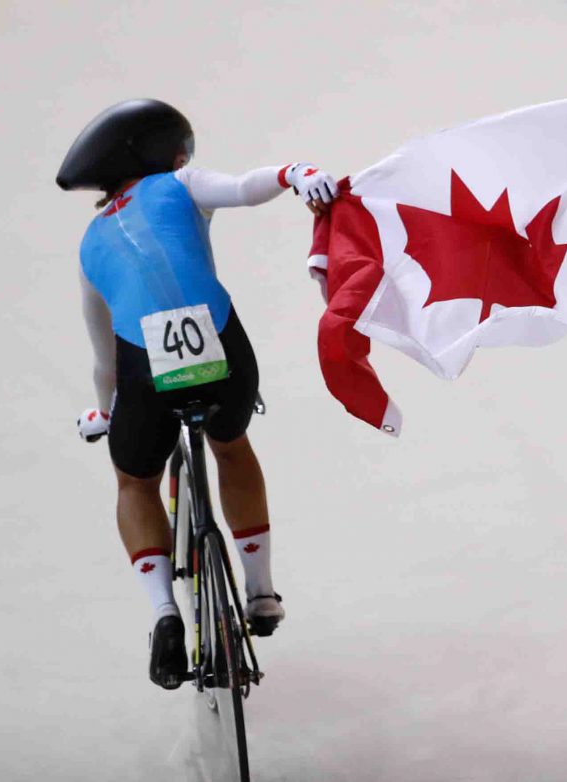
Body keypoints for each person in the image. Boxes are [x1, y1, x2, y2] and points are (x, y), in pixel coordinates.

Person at [57, 99, 338, 689]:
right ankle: (261, 593)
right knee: (231, 445)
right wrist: (294, 174)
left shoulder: (88, 248)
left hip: (144, 371)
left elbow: (105, 358)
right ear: (166, 154)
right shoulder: (179, 183)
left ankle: (164, 613)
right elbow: (244, 187)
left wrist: (105, 415)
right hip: (223, 349)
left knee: (134, 480)